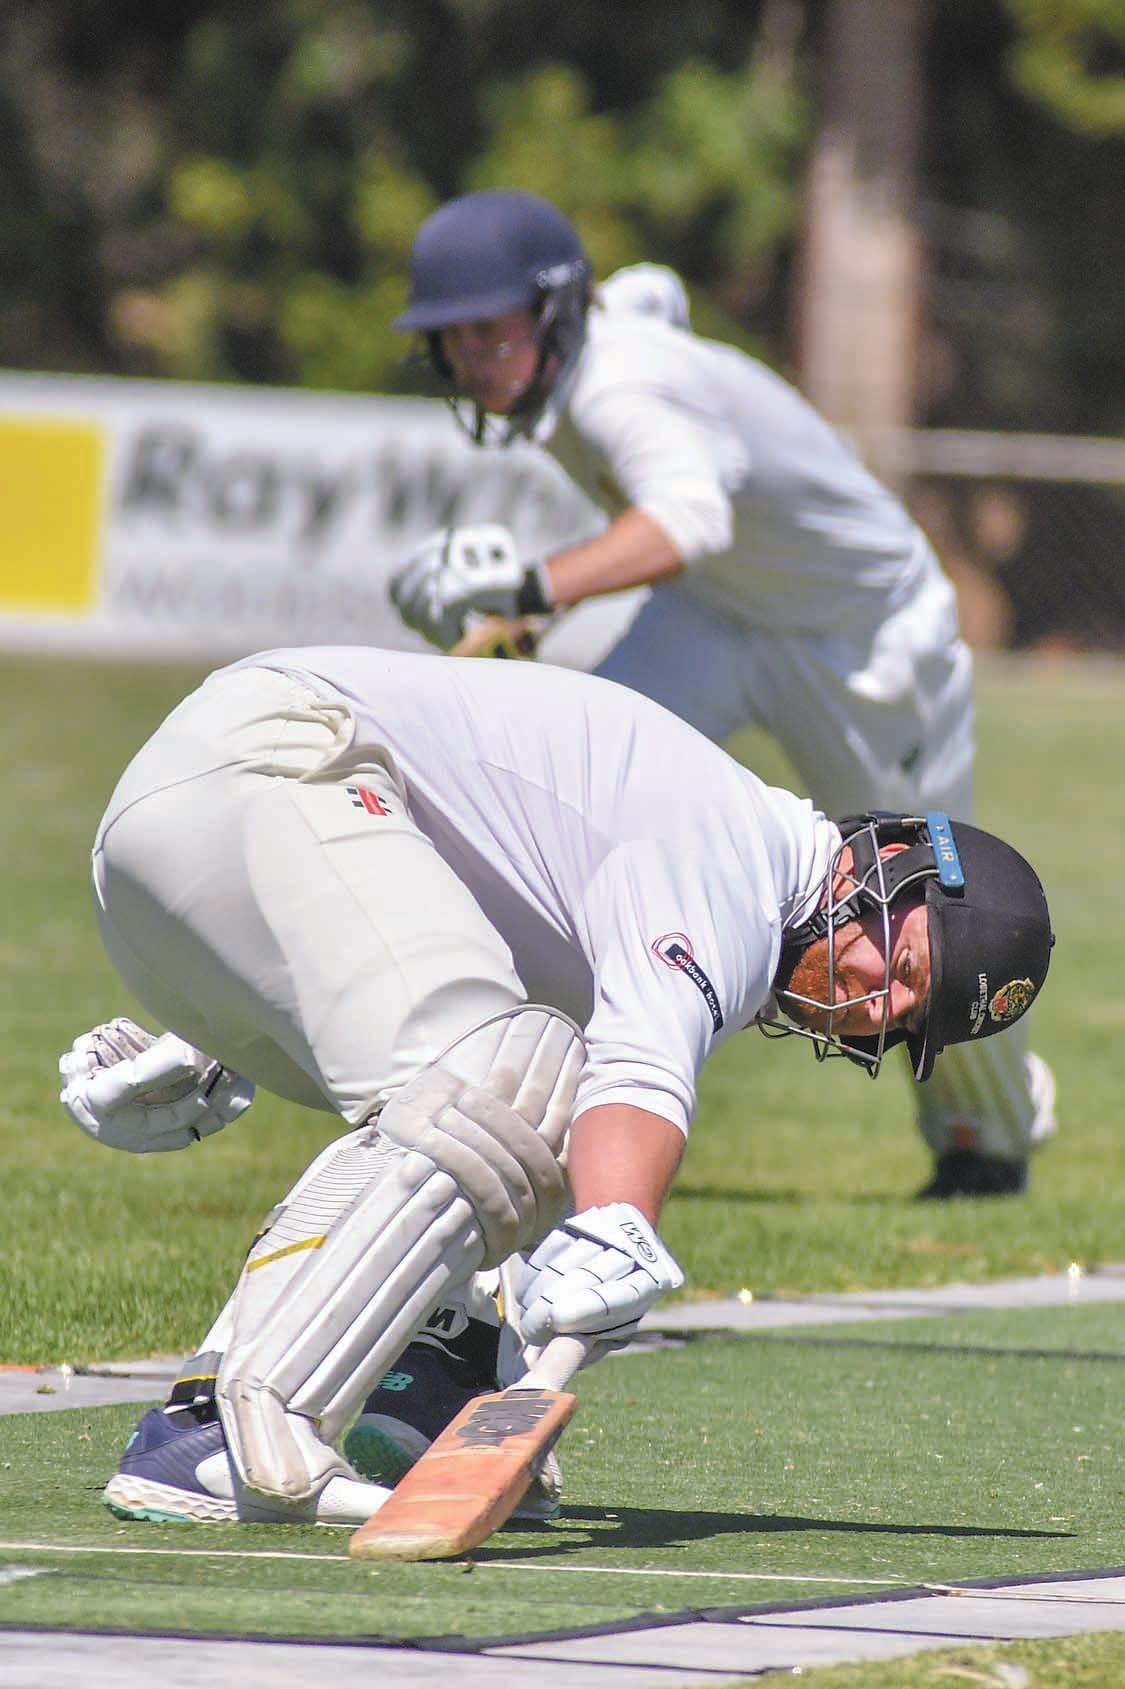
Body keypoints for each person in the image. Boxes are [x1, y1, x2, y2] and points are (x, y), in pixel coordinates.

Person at [60, 646, 1053, 1526]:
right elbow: (640, 1078)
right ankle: (220, 1430)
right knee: (510, 1090)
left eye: (907, 1021)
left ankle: (428, 1385)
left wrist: (214, 1028)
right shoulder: (741, 860)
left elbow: (436, 893)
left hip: (217, 843)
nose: (878, 1007)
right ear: (889, 858)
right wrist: (621, 1221)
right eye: (906, 966)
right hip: (268, 770)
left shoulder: (726, 876)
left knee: (535, 1084)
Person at [387, 187, 1057, 1203]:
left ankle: (988, 1135)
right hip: (718, 615)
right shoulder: (606, 342)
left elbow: (684, 521)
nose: (475, 360)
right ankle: (519, 1090)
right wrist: (528, 627)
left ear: (556, 312)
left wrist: (530, 590)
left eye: (492, 331)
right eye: (455, 339)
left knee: (933, 911)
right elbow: (655, 300)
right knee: (561, 797)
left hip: (862, 640)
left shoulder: (617, 389)